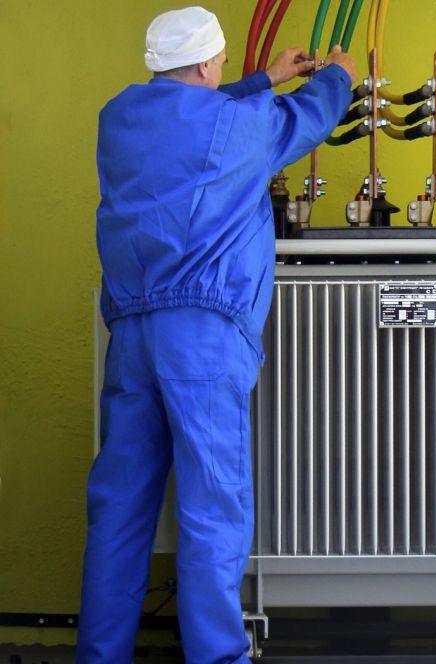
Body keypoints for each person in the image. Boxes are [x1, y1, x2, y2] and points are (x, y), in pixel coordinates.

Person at [77, 7, 357, 662]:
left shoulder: (119, 120)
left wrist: (261, 78)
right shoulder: (240, 125)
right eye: (222, 65)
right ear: (207, 63)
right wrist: (338, 77)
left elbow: (186, 117)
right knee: (211, 509)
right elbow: (305, 119)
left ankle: (100, 654)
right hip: (202, 337)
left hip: (132, 337)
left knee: (119, 511)